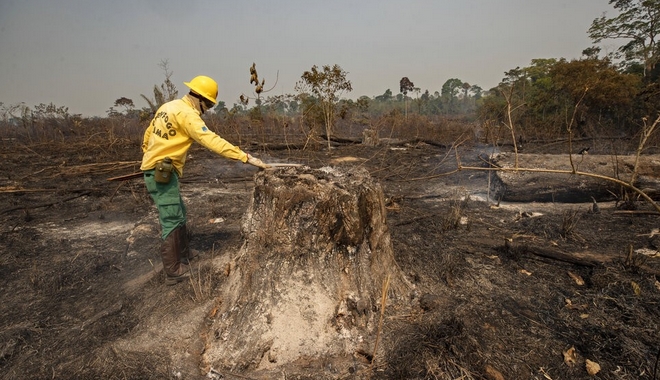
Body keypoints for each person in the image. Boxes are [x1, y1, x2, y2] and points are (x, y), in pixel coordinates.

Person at [141, 75, 270, 285]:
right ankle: (174, 271)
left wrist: (148, 154)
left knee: (179, 212)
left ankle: (184, 254)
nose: (208, 108)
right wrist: (244, 157)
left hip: (161, 169)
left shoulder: (168, 107)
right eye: (208, 104)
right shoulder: (188, 114)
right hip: (161, 173)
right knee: (171, 218)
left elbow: (148, 134)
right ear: (200, 98)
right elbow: (210, 140)